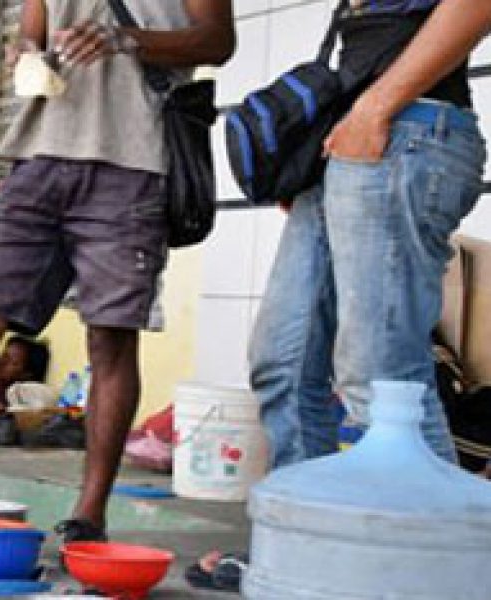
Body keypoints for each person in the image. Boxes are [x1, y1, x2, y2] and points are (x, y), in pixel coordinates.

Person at [190, 0, 491, 590]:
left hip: (407, 131)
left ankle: (432, 571)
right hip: (352, 144)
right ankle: (308, 548)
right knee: (284, 361)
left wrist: (376, 108)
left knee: (382, 380)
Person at [0, 0, 235, 545]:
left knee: (110, 338)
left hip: (133, 162)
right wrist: (24, 53)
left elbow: (216, 42)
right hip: (38, 154)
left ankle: (89, 516)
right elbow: (32, 34)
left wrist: (126, 38)